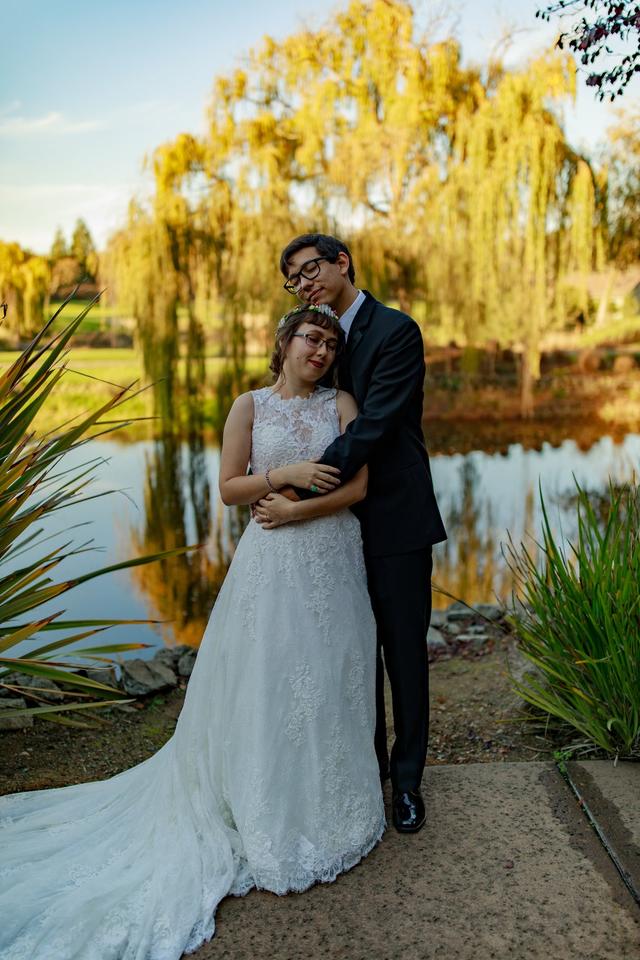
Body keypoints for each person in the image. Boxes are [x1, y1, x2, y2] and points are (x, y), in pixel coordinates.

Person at [0, 304, 385, 960]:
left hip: (329, 554)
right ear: (285, 342)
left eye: (329, 342)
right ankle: (264, 803)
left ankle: (332, 807)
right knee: (268, 681)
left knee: (330, 678)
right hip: (269, 565)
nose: (320, 350)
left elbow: (360, 489)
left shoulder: (342, 405)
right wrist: (284, 476)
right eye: (309, 338)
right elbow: (231, 489)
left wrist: (302, 509)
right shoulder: (249, 406)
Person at [263, 234, 446, 834]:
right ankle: (362, 769)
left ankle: (409, 782)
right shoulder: (316, 337)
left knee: (401, 653)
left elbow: (370, 429)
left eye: (310, 268)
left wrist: (296, 489)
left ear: (341, 263)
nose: (304, 282)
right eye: (293, 278)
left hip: (392, 515)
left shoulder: (395, 330)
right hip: (331, 529)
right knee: (348, 652)